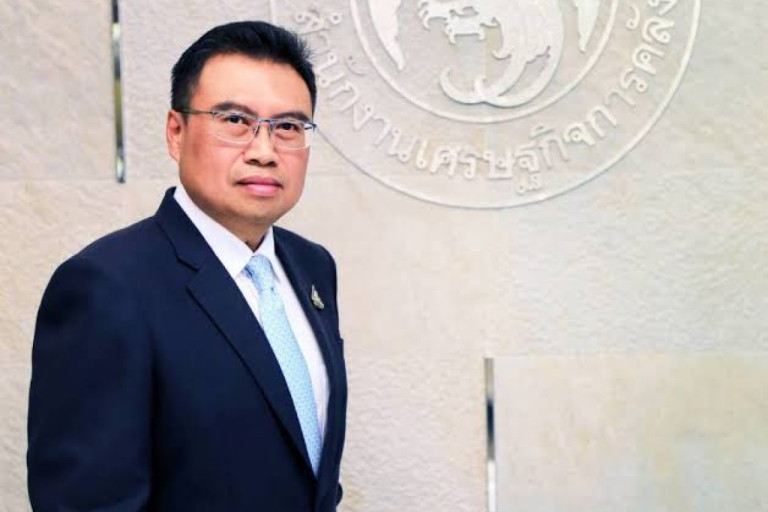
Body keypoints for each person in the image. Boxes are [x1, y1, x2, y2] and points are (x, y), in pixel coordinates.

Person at [27, 20, 347, 512]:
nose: (264, 152)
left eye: (288, 127)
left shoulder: (312, 266)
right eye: (235, 120)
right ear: (176, 132)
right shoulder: (106, 286)